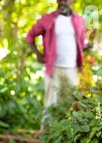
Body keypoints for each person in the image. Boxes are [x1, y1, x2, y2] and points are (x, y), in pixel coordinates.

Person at [26, 0, 90, 130]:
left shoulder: (78, 19)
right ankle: (46, 137)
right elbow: (30, 36)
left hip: (72, 68)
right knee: (51, 103)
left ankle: (65, 135)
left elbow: (81, 43)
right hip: (53, 68)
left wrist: (88, 46)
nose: (63, 3)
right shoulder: (48, 19)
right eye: (60, 0)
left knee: (71, 103)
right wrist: (38, 54)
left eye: (66, 0)